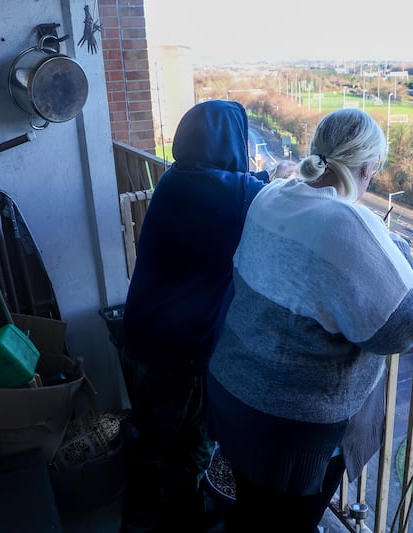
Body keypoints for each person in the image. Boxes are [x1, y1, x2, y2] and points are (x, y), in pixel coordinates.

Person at [206, 108, 413, 532]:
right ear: (368, 168)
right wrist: (390, 244)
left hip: (233, 393)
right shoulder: (345, 223)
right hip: (287, 427)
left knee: (252, 515)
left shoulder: (272, 195)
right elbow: (404, 325)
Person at [120, 100, 270, 532]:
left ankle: (144, 508)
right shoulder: (236, 196)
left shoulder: (175, 180)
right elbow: (274, 197)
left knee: (152, 437)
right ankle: (180, 522)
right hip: (179, 353)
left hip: (140, 336)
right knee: (188, 454)